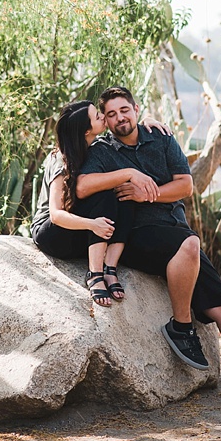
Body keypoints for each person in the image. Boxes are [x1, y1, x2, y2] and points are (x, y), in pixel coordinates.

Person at [78, 86, 221, 397]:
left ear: (135, 109)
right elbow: (82, 185)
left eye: (124, 110)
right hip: (135, 235)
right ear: (105, 121)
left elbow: (185, 185)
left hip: (174, 230)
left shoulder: (160, 137)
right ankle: (181, 325)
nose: (119, 117)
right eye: (110, 114)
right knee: (191, 244)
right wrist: (127, 175)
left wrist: (146, 193)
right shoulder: (104, 151)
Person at [33, 100, 159, 306]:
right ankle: (95, 274)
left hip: (79, 232)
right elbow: (56, 215)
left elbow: (127, 130)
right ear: (85, 131)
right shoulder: (61, 158)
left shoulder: (96, 148)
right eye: (97, 116)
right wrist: (92, 224)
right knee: (104, 196)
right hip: (53, 233)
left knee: (121, 193)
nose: (103, 116)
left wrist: (147, 121)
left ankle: (110, 269)